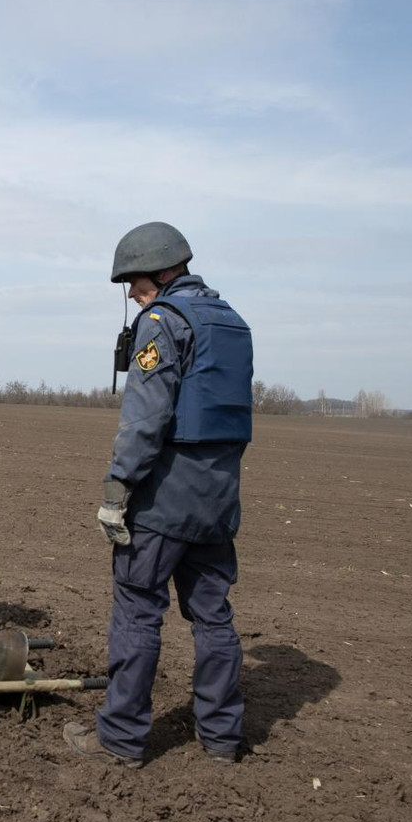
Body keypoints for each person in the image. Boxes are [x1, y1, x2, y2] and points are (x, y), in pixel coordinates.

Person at [64, 222, 253, 768]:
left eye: (134, 281)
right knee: (213, 617)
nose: (131, 293)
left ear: (162, 272)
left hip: (163, 501)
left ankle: (120, 739)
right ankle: (221, 738)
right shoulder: (232, 323)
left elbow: (146, 419)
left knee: (137, 611)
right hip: (218, 501)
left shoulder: (162, 322)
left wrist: (117, 487)